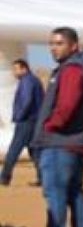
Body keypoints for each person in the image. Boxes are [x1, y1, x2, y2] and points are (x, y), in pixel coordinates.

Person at [18, 26, 83, 227]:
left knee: (55, 195)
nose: (53, 47)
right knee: (75, 194)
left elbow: (66, 106)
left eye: (59, 43)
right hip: (77, 143)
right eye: (51, 43)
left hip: (61, 144)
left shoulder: (72, 69)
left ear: (73, 45)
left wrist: (49, 127)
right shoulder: (81, 68)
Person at [2, 57, 43, 187]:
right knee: (35, 151)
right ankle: (42, 178)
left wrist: (19, 116)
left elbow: (27, 100)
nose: (14, 72)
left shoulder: (27, 81)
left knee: (14, 150)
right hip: (35, 121)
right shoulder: (33, 80)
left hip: (26, 121)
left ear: (24, 69)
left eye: (16, 69)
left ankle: (4, 177)